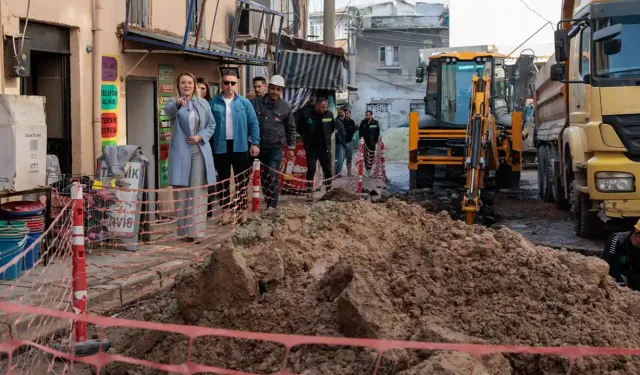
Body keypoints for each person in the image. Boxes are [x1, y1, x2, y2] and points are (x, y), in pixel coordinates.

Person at [165, 72, 216, 242]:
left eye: (189, 83)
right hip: (180, 151)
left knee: (198, 191)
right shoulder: (173, 103)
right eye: (183, 83)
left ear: (194, 85)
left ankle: (197, 231)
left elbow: (211, 124)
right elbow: (169, 112)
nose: (186, 86)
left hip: (199, 150)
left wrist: (200, 136)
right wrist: (179, 104)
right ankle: (184, 232)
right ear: (178, 86)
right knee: (181, 193)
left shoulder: (203, 103)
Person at [209, 70, 260, 224]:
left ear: (236, 84)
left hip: (240, 146)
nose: (229, 86)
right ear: (222, 84)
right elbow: (208, 125)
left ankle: (242, 211)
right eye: (226, 83)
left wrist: (255, 143)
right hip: (220, 147)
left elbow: (253, 123)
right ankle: (225, 212)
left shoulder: (244, 103)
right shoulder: (214, 103)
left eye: (232, 83)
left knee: (242, 181)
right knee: (223, 181)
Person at [253, 75, 296, 208]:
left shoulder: (285, 107)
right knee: (264, 177)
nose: (275, 92)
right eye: (273, 89)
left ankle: (273, 206)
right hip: (259, 147)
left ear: (281, 91)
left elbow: (291, 127)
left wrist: (291, 147)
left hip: (276, 148)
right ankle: (268, 201)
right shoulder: (255, 103)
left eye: (278, 90)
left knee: (272, 175)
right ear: (268, 88)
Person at [296, 97, 335, 201]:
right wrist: (306, 137)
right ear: (317, 106)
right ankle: (309, 192)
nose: (325, 109)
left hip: (324, 148)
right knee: (311, 170)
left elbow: (332, 128)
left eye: (326, 107)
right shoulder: (306, 114)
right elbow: (299, 127)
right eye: (323, 107)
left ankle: (328, 191)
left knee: (327, 170)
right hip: (311, 148)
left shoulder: (329, 114)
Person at [602, 220, 640, 290]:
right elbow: (607, 263)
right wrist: (621, 281)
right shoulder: (617, 239)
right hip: (614, 276)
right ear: (638, 237)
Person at [343, 108, 358, 177]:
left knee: (349, 158)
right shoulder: (341, 121)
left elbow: (354, 130)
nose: (346, 115)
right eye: (345, 113)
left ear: (350, 114)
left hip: (349, 142)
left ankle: (349, 172)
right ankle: (337, 174)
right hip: (341, 143)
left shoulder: (352, 122)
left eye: (347, 113)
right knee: (340, 159)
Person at [334, 110, 347, 177]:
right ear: (343, 115)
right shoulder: (338, 122)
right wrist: (341, 142)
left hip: (340, 143)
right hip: (339, 144)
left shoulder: (339, 122)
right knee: (339, 159)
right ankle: (336, 173)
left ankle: (338, 173)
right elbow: (336, 133)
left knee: (340, 159)